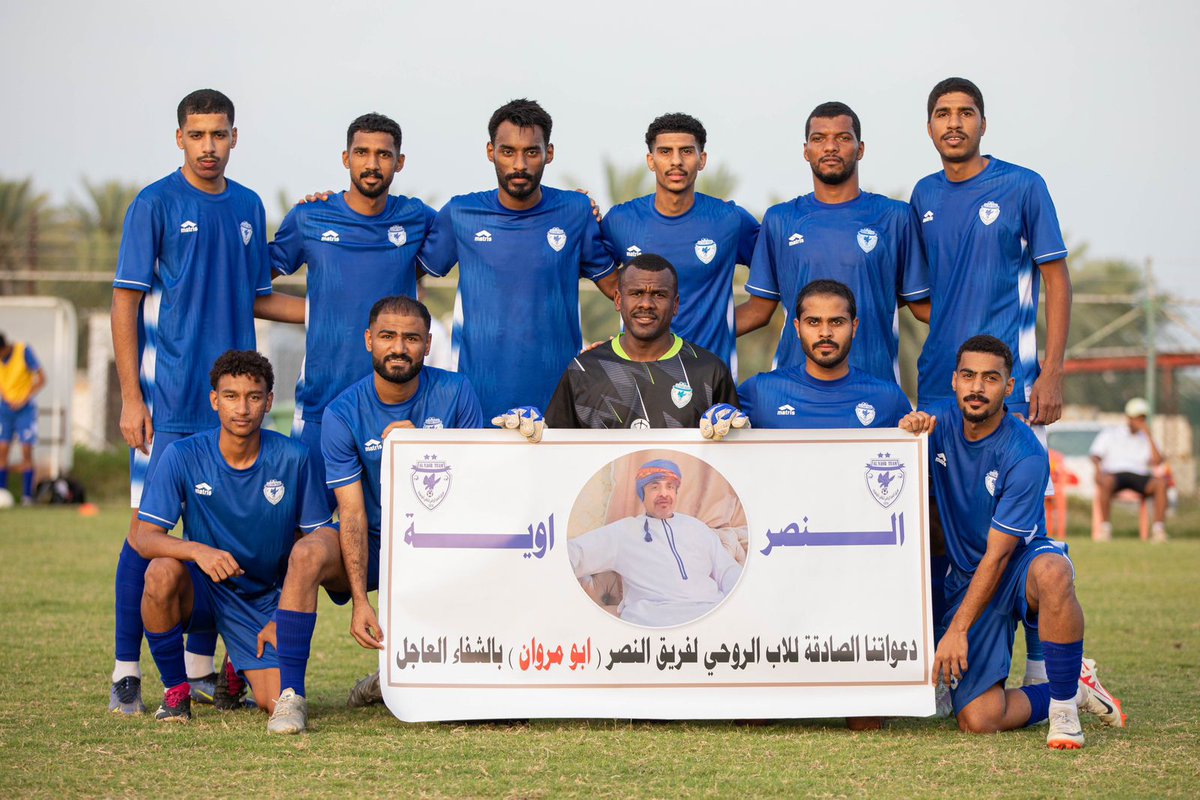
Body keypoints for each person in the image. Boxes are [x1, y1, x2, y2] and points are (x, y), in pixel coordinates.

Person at [109, 89, 295, 714]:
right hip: (173, 400)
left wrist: (334, 316)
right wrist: (133, 395)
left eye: (219, 134)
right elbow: (126, 300)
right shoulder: (154, 203)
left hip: (232, 403)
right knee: (148, 535)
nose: (208, 146)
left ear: (234, 138)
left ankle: (200, 673)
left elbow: (259, 297)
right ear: (180, 139)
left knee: (220, 534)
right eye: (197, 135)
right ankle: (126, 673)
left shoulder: (248, 205)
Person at [912, 77, 1073, 686]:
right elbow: (925, 299)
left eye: (966, 112)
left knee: (1025, 527)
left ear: (983, 122)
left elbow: (1056, 279)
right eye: (942, 114)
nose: (954, 123)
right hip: (939, 383)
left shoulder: (1023, 185)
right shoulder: (923, 194)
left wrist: (1049, 371)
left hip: (1014, 387)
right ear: (929, 127)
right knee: (936, 516)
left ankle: (1047, 670)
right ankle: (939, 659)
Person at [259, 295, 483, 734]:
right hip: (373, 539)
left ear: (427, 344)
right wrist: (361, 601)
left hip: (437, 538)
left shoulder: (457, 392)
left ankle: (395, 676)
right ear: (369, 341)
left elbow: (474, 486)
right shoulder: (343, 412)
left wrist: (422, 448)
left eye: (411, 338)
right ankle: (291, 696)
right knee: (305, 555)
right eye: (388, 336)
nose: (399, 347)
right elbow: (353, 514)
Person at [898, 335, 1125, 749]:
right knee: (980, 719)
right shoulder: (936, 428)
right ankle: (1073, 685)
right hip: (967, 575)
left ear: (1008, 387)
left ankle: (1062, 709)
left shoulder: (1025, 454)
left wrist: (959, 630)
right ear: (954, 381)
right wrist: (907, 432)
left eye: (990, 378)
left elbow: (1000, 556)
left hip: (1017, 567)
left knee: (1053, 570)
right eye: (968, 376)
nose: (977, 387)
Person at [131, 351, 333, 722]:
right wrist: (197, 551)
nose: (242, 408)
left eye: (253, 397)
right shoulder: (182, 455)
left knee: (275, 704)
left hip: (262, 598)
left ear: (269, 401)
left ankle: (235, 666)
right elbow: (143, 537)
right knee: (160, 571)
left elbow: (317, 545)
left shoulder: (295, 458)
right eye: (230, 396)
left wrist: (282, 615)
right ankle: (176, 690)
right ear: (214, 400)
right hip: (205, 589)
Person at [416, 98, 617, 419]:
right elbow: (406, 271)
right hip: (477, 402)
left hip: (559, 399)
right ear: (490, 151)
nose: (519, 164)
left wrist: (619, 351)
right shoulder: (461, 213)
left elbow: (619, 289)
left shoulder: (575, 212)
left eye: (531, 152)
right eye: (508, 151)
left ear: (548, 153)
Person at [268, 113, 437, 494]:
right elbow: (245, 288)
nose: (372, 164)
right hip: (320, 403)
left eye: (384, 154)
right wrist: (318, 313)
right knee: (308, 530)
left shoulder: (418, 218)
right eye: (361, 152)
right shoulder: (310, 216)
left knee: (396, 526)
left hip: (395, 408)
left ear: (400, 161)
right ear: (346, 158)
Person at [737, 101, 930, 384]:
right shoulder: (780, 220)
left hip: (873, 386)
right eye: (819, 139)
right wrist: (683, 335)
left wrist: (981, 326)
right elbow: (758, 311)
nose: (830, 147)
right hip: (793, 388)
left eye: (842, 138)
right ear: (806, 151)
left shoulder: (895, 217)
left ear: (860, 149)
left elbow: (916, 304)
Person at [600, 113, 759, 373]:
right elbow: (603, 276)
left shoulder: (730, 220)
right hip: (640, 375)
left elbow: (771, 288)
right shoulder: (620, 220)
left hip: (710, 376)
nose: (676, 161)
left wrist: (719, 327)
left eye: (686, 151)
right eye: (665, 152)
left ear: (702, 159)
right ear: (651, 161)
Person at [544, 254, 738, 429]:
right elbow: (559, 452)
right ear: (618, 300)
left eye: (659, 295)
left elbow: (728, 457)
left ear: (676, 304)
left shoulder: (709, 371)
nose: (646, 304)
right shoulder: (584, 370)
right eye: (636, 293)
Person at [569, 459, 741, 627]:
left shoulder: (697, 528)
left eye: (670, 487)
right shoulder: (624, 531)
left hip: (711, 615)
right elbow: (576, 554)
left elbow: (728, 571)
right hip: (653, 622)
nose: (664, 494)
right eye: (654, 487)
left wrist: (739, 605)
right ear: (642, 494)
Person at [732, 280, 911, 430]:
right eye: (813, 322)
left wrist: (918, 427)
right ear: (797, 328)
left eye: (837, 322)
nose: (825, 332)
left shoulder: (889, 398)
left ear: (854, 327)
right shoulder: (760, 392)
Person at [1090, 397, 1169, 542]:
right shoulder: (1111, 433)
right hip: (1116, 475)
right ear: (1129, 418)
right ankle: (1105, 529)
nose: (1140, 421)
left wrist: (1149, 436)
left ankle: (1158, 531)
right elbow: (1095, 455)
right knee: (1106, 481)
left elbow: (1158, 461)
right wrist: (1097, 470)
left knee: (1161, 484)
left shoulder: (1146, 437)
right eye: (1136, 418)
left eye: (1142, 418)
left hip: (1139, 475)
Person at [0, 332, 46, 505]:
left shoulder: (23, 351)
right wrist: (5, 396)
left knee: (26, 450)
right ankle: (2, 492)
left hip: (25, 409)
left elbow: (42, 379)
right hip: (5, 409)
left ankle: (27, 496)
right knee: (2, 450)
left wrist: (24, 399)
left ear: (4, 348)